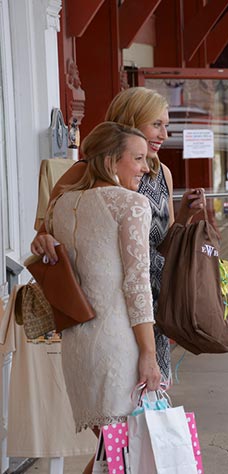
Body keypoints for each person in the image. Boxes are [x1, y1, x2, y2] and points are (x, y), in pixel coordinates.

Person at [30, 87, 206, 385]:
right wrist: (44, 241)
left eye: (166, 125)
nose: (165, 134)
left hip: (153, 303)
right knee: (121, 393)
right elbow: (46, 232)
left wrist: (186, 215)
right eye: (157, 124)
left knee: (151, 394)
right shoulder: (84, 171)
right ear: (131, 122)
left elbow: (164, 245)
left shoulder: (161, 172)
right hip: (110, 305)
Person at [47, 122, 161, 474]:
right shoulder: (132, 204)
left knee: (113, 455)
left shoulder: (61, 205)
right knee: (121, 454)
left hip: (78, 346)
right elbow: (137, 284)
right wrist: (149, 354)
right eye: (138, 159)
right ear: (112, 162)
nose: (145, 168)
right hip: (117, 345)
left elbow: (46, 255)